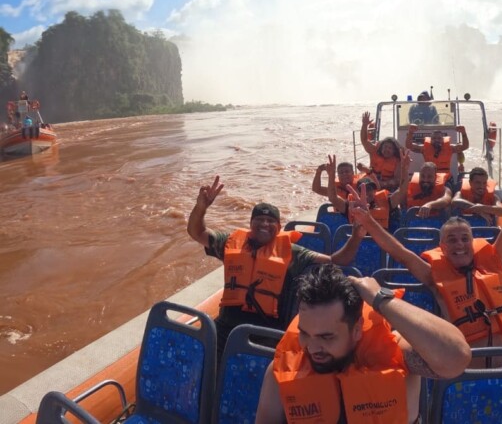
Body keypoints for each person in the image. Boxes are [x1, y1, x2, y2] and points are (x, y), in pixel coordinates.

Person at [350, 145, 502, 367]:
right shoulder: (434, 277)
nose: (459, 244)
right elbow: (399, 253)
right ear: (442, 247)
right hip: (465, 374)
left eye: (464, 239)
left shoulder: (492, 260)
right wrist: (368, 221)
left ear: (472, 243)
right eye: (452, 240)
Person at [255, 263, 471, 423]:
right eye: (304, 333)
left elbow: (457, 358)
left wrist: (380, 299)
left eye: (326, 337)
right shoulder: (282, 369)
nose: (311, 347)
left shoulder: (398, 353)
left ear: (357, 329)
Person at [187, 176, 366, 356]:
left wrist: (357, 234)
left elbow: (338, 260)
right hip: (226, 327)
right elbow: (197, 232)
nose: (265, 224)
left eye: (270, 221)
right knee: (198, 358)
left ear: (279, 227)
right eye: (260, 219)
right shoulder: (230, 243)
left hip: (268, 334)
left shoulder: (293, 253)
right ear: (250, 224)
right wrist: (201, 208)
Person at [326, 153, 407, 232]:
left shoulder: (387, 201)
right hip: (358, 243)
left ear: (375, 191)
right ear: (357, 192)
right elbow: (332, 198)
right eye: (362, 189)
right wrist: (331, 175)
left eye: (369, 189)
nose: (366, 193)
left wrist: (404, 169)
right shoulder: (350, 205)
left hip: (381, 243)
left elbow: (402, 191)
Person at [406, 123, 469, 191]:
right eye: (434, 138)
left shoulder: (450, 148)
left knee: (449, 189)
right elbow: (409, 146)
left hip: (446, 178)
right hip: (429, 178)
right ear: (431, 140)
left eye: (439, 138)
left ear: (442, 140)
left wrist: (463, 133)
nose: (436, 140)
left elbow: (464, 146)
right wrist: (410, 132)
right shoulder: (424, 149)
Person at [358, 111, 402, 191]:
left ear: (394, 151)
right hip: (370, 183)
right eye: (385, 147)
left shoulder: (398, 160)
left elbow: (397, 180)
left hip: (387, 187)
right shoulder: (374, 151)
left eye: (390, 148)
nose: (387, 150)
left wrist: (382, 184)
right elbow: (364, 140)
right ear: (381, 147)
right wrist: (364, 125)